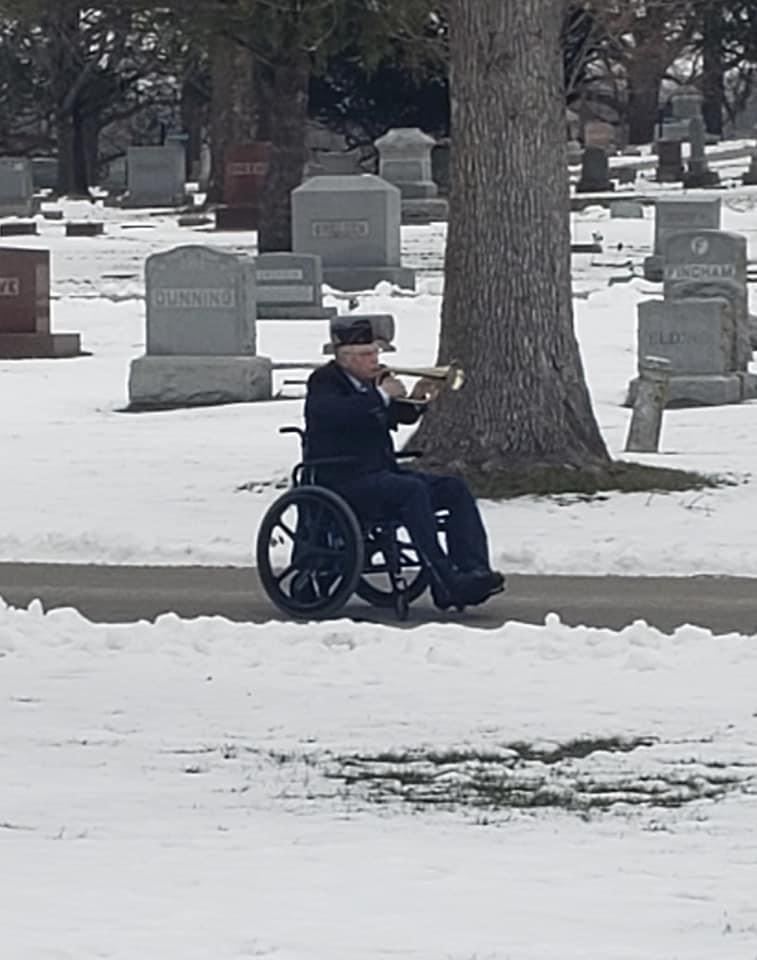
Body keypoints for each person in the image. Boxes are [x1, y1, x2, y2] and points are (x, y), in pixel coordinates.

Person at [304, 319, 505, 609]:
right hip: (343, 478)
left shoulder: (371, 383)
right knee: (411, 491)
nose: (375, 360)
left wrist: (418, 400)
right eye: (366, 355)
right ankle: (446, 580)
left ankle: (473, 569)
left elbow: (395, 416)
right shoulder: (324, 382)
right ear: (345, 358)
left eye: (375, 353)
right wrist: (382, 394)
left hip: (381, 473)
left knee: (454, 488)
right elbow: (335, 415)